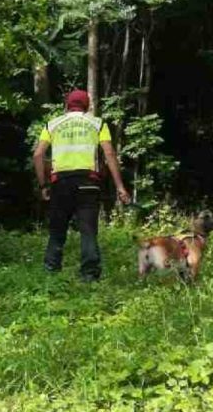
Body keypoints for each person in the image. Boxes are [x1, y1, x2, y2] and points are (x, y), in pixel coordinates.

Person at [32, 89, 131, 282]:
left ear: (67, 105)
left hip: (60, 183)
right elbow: (109, 154)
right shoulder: (97, 123)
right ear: (87, 106)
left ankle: (50, 273)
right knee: (88, 232)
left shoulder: (52, 124)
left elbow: (37, 155)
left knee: (57, 231)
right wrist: (120, 186)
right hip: (88, 183)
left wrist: (43, 185)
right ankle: (89, 276)